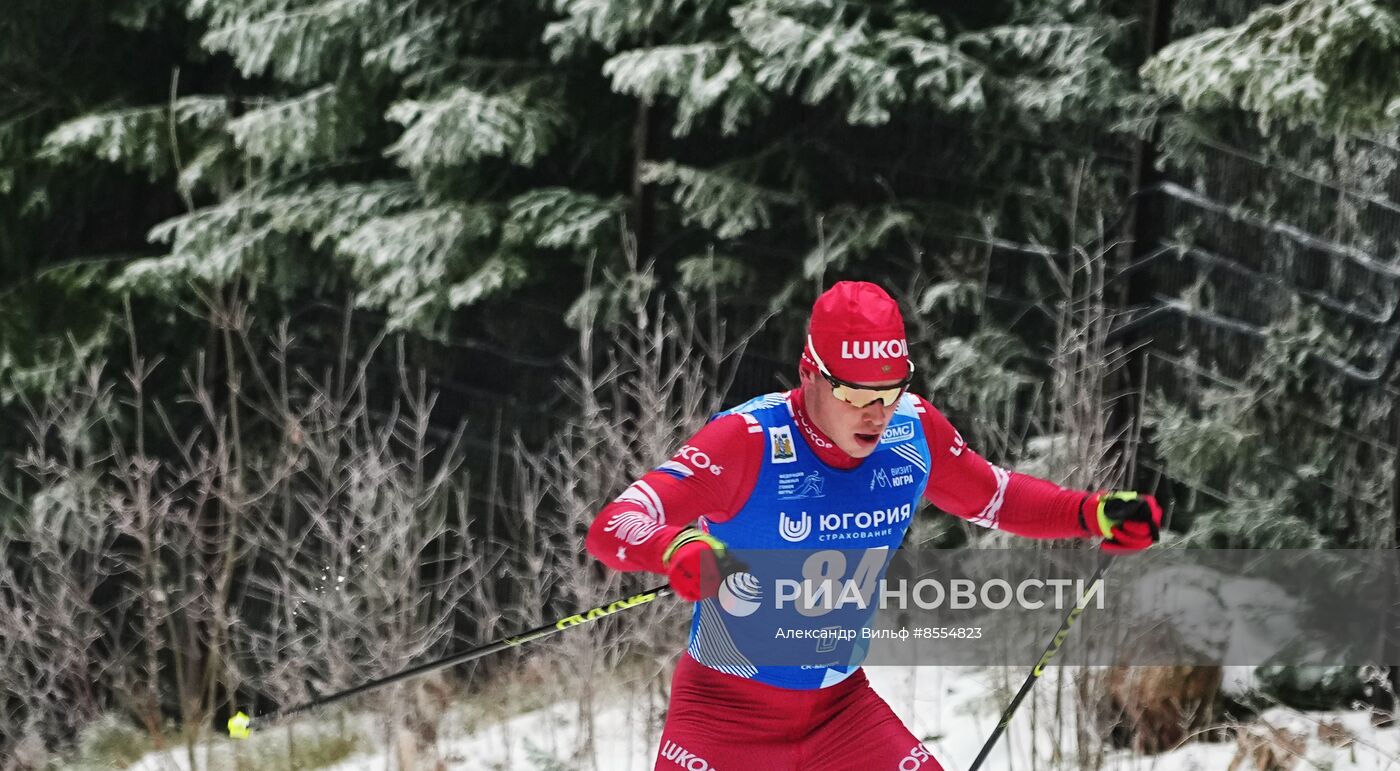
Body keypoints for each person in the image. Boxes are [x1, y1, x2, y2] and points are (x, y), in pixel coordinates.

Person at [586, 281, 1161, 771]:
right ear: (810, 374)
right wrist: (676, 547)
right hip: (724, 716)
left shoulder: (912, 434)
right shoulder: (749, 441)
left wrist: (1092, 513)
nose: (877, 413)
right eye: (856, 393)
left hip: (840, 714)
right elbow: (617, 524)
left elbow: (994, 496)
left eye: (890, 392)